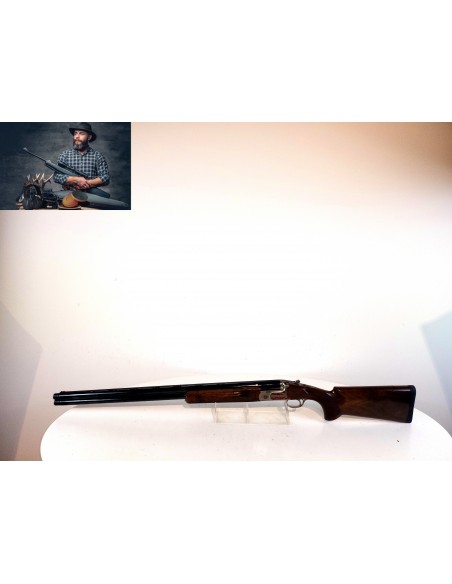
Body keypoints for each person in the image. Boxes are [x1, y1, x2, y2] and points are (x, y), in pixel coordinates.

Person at [53, 123, 110, 191]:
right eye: (75, 133)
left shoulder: (98, 156)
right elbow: (56, 176)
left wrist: (86, 183)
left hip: (90, 196)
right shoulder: (65, 155)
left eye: (81, 134)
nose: (77, 136)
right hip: (69, 195)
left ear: (89, 137)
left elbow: (105, 178)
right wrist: (76, 180)